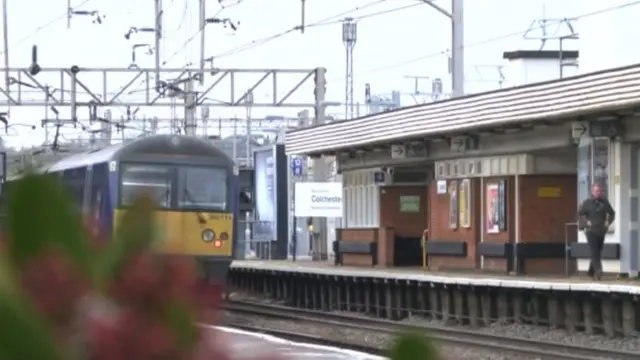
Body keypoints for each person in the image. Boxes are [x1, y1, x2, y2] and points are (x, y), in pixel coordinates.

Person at [578, 183, 615, 281]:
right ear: (592, 192)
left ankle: (591, 271)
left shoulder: (605, 202)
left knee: (598, 250)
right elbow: (580, 213)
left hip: (601, 230)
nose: (597, 193)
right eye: (595, 191)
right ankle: (598, 271)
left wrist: (608, 222)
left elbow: (612, 213)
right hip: (590, 231)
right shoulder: (587, 203)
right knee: (595, 250)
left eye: (599, 191)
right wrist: (586, 221)